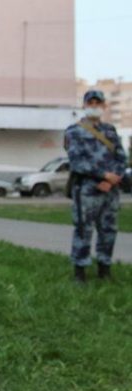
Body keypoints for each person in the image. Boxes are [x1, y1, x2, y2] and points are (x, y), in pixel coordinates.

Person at [65, 89, 127, 283]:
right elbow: (76, 161)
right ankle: (80, 271)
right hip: (86, 189)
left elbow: (121, 157)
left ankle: (104, 268)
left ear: (104, 106)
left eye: (97, 103)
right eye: (90, 103)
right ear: (84, 105)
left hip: (110, 190)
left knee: (109, 229)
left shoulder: (110, 130)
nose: (94, 107)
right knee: (84, 229)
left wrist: (112, 178)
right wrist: (103, 175)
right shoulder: (74, 131)